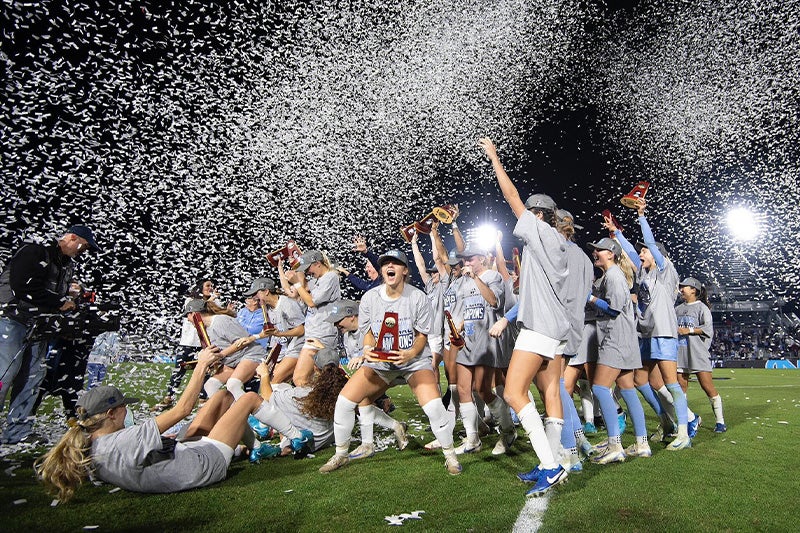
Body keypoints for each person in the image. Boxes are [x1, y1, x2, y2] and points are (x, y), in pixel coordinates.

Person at [35, 346, 312, 500]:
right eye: (122, 408)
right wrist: (202, 365)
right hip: (202, 465)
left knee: (221, 397)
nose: (125, 412)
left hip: (176, 457)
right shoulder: (123, 441)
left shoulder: (92, 447)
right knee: (249, 398)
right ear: (110, 415)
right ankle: (296, 435)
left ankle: (249, 449)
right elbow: (182, 408)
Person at [318, 249, 461, 476]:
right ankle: (341, 454)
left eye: (395, 263)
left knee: (434, 407)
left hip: (412, 362)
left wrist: (410, 353)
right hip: (382, 365)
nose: (389, 267)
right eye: (385, 264)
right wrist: (367, 349)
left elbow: (421, 335)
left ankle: (450, 456)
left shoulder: (418, 297)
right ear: (382, 270)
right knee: (345, 401)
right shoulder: (369, 298)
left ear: (405, 270)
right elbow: (368, 332)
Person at [479, 137, 568, 498]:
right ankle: (553, 457)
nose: (524, 215)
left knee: (514, 393)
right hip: (555, 331)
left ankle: (551, 465)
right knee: (548, 394)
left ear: (539, 215)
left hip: (538, 330)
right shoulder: (556, 242)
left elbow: (512, 197)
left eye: (531, 211)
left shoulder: (539, 229)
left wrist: (495, 159)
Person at [0, 225, 100, 444]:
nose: (82, 252)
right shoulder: (35, 251)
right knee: (5, 374)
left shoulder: (66, 265)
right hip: (11, 319)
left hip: (40, 324)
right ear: (72, 238)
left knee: (32, 378)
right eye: (82, 246)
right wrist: (60, 300)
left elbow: (50, 291)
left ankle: (17, 432)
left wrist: (69, 291)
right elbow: (21, 287)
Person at [607, 198, 692, 450]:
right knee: (640, 380)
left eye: (646, 252)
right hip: (646, 333)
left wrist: (642, 215)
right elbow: (630, 252)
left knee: (670, 382)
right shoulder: (644, 273)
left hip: (664, 333)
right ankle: (667, 422)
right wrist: (617, 232)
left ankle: (684, 432)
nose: (641, 253)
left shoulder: (666, 272)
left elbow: (650, 247)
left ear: (657, 256)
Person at [585, 238, 651, 463]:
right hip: (624, 339)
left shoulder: (613, 276)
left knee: (600, 388)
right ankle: (642, 443)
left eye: (599, 251)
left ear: (611, 254)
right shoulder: (611, 276)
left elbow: (613, 309)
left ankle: (615, 445)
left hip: (616, 339)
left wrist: (590, 298)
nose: (595, 254)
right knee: (628, 390)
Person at [450, 246, 516, 457]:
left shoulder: (493, 277)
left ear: (481, 259)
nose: (466, 262)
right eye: (464, 260)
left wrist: (476, 279)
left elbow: (494, 301)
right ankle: (472, 438)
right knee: (462, 390)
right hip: (468, 340)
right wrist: (459, 326)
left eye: (470, 259)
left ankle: (507, 431)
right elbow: (470, 310)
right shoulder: (465, 282)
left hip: (487, 340)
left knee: (483, 390)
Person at [325, 299, 408, 459]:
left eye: (338, 321)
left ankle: (366, 444)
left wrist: (364, 357)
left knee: (358, 400)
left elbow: (385, 348)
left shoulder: (371, 327)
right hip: (377, 373)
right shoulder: (348, 336)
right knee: (362, 401)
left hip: (393, 369)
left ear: (351, 316)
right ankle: (385, 433)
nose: (336, 325)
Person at [154, 278, 220, 411]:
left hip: (204, 342)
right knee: (179, 369)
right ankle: (169, 397)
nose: (210, 288)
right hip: (188, 343)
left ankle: (203, 399)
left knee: (205, 371)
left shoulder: (215, 301)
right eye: (207, 285)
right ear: (200, 287)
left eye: (212, 286)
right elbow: (197, 312)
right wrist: (210, 301)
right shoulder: (189, 301)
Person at [183, 299, 266, 402]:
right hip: (233, 361)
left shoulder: (221, 320)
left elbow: (243, 342)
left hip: (251, 354)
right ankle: (228, 413)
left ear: (195, 314)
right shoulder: (203, 329)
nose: (187, 319)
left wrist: (221, 355)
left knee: (233, 384)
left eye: (188, 315)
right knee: (210, 385)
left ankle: (252, 409)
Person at [675, 277, 726, 433]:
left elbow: (708, 329)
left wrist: (688, 330)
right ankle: (686, 420)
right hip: (680, 353)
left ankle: (720, 422)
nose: (682, 289)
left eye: (685, 287)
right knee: (680, 389)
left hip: (697, 353)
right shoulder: (677, 309)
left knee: (707, 387)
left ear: (694, 290)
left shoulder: (702, 308)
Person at [284, 250, 342, 387]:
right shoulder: (317, 280)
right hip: (316, 333)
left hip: (321, 334)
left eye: (309, 268)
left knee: (300, 379)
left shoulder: (330, 277)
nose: (308, 272)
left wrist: (297, 284)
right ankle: (325, 406)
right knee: (320, 380)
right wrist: (295, 266)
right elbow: (298, 290)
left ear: (317, 263)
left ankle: (316, 407)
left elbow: (311, 301)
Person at [241, 278, 306, 384]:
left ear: (266, 291)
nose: (254, 298)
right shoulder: (267, 308)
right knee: (268, 379)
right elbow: (269, 331)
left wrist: (280, 334)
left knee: (274, 380)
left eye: (256, 294)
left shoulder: (287, 304)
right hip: (281, 349)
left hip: (296, 347)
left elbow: (301, 330)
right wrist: (252, 338)